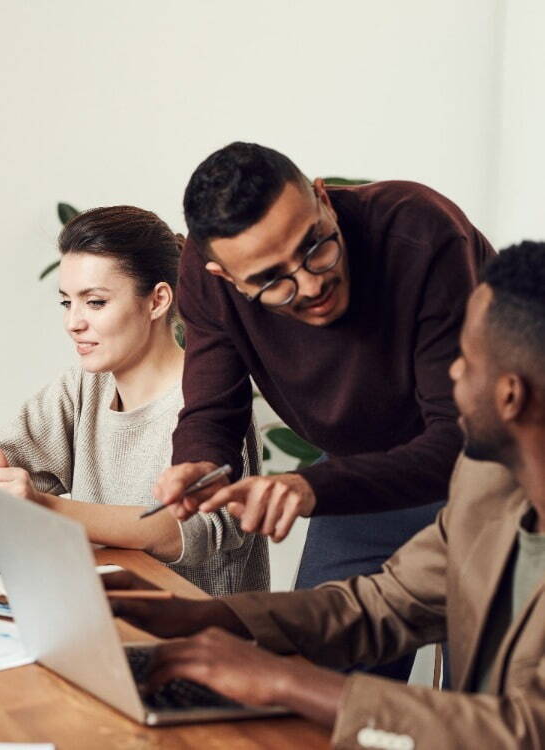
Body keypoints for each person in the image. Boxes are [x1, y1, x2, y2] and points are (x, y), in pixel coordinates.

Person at [107, 242, 545, 747]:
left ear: (510, 394)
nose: (452, 373)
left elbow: (524, 731)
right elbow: (383, 603)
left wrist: (285, 681)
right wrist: (211, 616)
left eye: (466, 360)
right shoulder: (486, 484)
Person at [153, 142, 494, 678]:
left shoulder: (421, 232)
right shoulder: (204, 274)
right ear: (226, 276)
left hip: (491, 483)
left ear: (322, 199)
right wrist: (199, 461)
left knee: (482, 704)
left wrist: (311, 488)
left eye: (316, 246)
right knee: (316, 683)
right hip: (362, 485)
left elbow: (460, 439)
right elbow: (211, 411)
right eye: (270, 280)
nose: (311, 284)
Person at [0, 205, 268, 596]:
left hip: (204, 638)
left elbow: (189, 531)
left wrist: (47, 509)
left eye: (94, 302)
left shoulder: (213, 399)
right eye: (67, 302)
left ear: (158, 301)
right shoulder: (83, 387)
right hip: (106, 618)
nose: (73, 322)